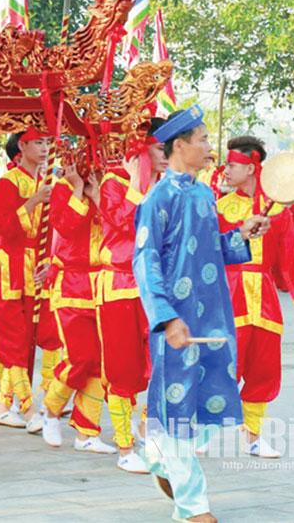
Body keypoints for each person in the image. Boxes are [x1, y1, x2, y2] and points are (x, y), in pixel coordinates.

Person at [133, 107, 269, 523]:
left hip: (212, 317)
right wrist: (167, 318)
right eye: (204, 140)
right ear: (180, 146)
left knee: (208, 406)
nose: (211, 148)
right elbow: (145, 261)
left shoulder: (201, 193)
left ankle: (155, 455)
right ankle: (193, 508)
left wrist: (241, 235)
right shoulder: (158, 197)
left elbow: (212, 250)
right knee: (177, 410)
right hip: (178, 323)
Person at [217, 135, 294, 458]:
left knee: (263, 370)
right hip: (232, 297)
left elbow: (291, 257)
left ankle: (253, 436)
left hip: (265, 300)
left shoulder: (279, 212)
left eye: (232, 164)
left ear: (251, 167)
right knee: (224, 366)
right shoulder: (222, 207)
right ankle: (206, 428)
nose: (226, 169)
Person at [96, 123, 167, 474]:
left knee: (156, 367)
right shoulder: (114, 183)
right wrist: (138, 187)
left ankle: (147, 433)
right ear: (142, 151)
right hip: (119, 287)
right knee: (122, 369)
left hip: (153, 290)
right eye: (158, 149)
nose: (165, 156)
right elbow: (124, 223)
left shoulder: (164, 186)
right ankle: (124, 445)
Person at [36, 162, 117, 455]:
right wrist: (79, 189)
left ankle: (87, 431)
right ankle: (51, 408)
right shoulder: (62, 188)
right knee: (80, 357)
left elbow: (118, 226)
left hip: (102, 284)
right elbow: (66, 226)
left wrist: (96, 195)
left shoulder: (109, 185)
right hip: (71, 283)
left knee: (99, 362)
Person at [0, 128, 53, 430]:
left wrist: (48, 260)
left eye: (47, 142)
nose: (44, 148)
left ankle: (3, 405)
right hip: (8, 267)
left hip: (33, 269)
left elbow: (51, 231)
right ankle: (27, 408)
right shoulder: (7, 182)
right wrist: (33, 202)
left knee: (25, 340)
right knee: (12, 340)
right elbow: (4, 228)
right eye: (38, 142)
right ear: (22, 147)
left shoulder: (46, 182)